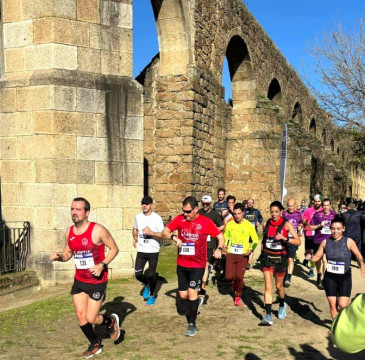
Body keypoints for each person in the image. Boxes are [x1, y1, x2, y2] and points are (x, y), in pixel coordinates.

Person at [50, 197, 120, 358]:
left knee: (92, 317)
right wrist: (59, 257)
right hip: (80, 281)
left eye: (78, 209)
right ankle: (95, 343)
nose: (74, 212)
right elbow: (68, 253)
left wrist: (102, 264)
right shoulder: (69, 232)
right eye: (72, 209)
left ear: (87, 212)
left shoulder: (98, 230)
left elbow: (114, 249)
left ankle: (110, 321)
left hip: (97, 281)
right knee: (81, 317)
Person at [162, 196, 225, 337]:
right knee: (183, 295)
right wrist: (174, 237)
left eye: (188, 211)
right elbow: (164, 231)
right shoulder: (179, 219)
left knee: (191, 293)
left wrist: (219, 249)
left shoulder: (206, 222)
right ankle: (196, 302)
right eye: (183, 211)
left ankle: (192, 324)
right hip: (182, 263)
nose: (185, 214)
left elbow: (220, 237)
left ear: (196, 209)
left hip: (198, 264)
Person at [311, 215, 365, 325]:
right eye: (333, 229)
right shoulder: (325, 242)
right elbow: (317, 256)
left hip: (344, 277)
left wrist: (362, 266)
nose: (335, 231)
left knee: (343, 305)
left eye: (338, 229)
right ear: (330, 228)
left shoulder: (349, 242)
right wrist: (309, 257)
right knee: (332, 304)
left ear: (343, 229)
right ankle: (336, 327)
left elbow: (359, 255)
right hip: (330, 277)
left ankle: (346, 321)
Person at [260, 201, 301, 325]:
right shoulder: (267, 223)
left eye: (276, 212)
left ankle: (282, 304)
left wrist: (284, 238)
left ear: (281, 212)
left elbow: (298, 241)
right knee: (268, 287)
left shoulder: (286, 224)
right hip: (267, 258)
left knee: (279, 287)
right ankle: (268, 316)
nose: (274, 214)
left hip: (280, 259)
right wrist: (261, 254)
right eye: (272, 212)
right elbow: (264, 240)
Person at [223, 203, 258, 306]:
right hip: (231, 253)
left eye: (239, 213)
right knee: (229, 277)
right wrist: (224, 246)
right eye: (235, 214)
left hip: (243, 255)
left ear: (243, 213)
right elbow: (226, 237)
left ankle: (238, 296)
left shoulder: (248, 225)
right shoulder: (230, 224)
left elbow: (255, 240)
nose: (236, 216)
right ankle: (235, 285)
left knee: (239, 276)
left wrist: (251, 249)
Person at [132, 196, 165, 306]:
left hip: (153, 250)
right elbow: (135, 228)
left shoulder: (157, 218)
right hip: (141, 249)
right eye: (142, 203)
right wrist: (135, 238)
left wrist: (152, 233)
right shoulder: (138, 217)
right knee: (137, 274)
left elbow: (162, 235)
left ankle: (152, 295)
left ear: (151, 205)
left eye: (146, 204)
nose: (144, 206)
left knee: (151, 275)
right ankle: (146, 284)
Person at [197, 195, 224, 302]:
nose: (205, 206)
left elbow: (222, 226)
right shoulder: (198, 213)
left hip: (209, 244)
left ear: (211, 204)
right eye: (203, 203)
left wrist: (214, 230)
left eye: (207, 204)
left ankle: (203, 285)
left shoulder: (215, 214)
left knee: (205, 264)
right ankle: (198, 279)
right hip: (198, 243)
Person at [310, 198, 337, 289]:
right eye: (324, 205)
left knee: (325, 260)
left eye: (327, 205)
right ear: (322, 206)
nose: (325, 207)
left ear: (330, 206)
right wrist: (319, 225)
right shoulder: (317, 215)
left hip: (330, 241)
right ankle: (318, 274)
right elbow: (310, 227)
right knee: (318, 260)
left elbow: (339, 227)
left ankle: (324, 279)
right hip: (318, 241)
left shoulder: (334, 215)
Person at [283, 198, 303, 287]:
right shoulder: (284, 214)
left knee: (290, 258)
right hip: (284, 239)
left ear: (295, 206)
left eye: (292, 206)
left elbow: (301, 223)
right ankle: (283, 272)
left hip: (293, 240)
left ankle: (288, 277)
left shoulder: (299, 214)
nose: (290, 208)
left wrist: (300, 226)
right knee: (284, 257)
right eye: (289, 206)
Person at [302, 195, 323, 277]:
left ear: (321, 202)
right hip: (309, 233)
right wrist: (304, 222)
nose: (317, 203)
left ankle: (311, 269)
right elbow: (304, 220)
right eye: (316, 201)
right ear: (313, 201)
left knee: (315, 254)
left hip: (319, 235)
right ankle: (307, 259)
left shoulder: (323, 210)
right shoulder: (308, 210)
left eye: (319, 201)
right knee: (308, 253)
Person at [243, 198, 263, 269]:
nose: (250, 204)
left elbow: (260, 217)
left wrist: (259, 222)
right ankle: (244, 260)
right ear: (247, 203)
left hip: (253, 232)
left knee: (252, 246)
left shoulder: (256, 211)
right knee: (245, 246)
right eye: (249, 203)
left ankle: (249, 262)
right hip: (245, 233)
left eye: (251, 203)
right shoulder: (244, 211)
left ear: (253, 204)